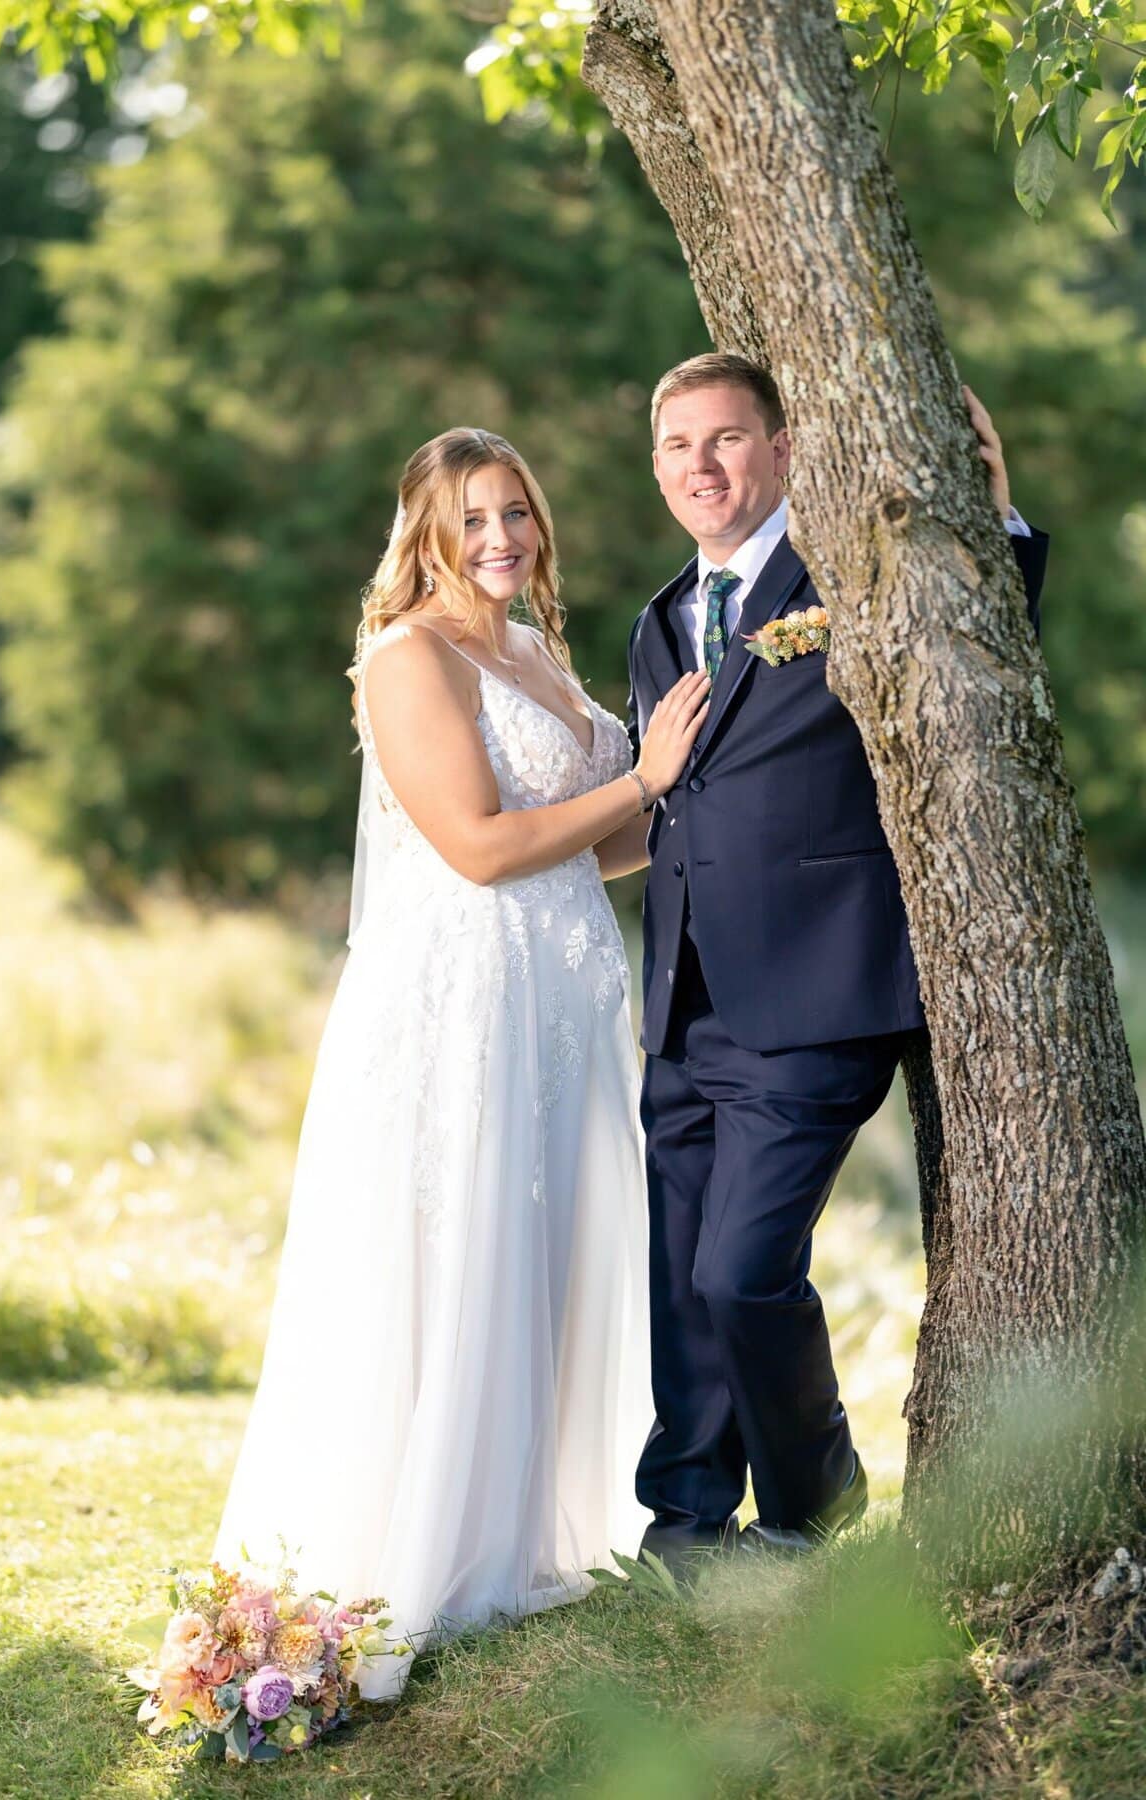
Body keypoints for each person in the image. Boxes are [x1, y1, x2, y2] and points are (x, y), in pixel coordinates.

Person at [213, 426, 709, 1695]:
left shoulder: (534, 649)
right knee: (452, 1259)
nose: (502, 539)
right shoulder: (406, 658)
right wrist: (647, 772)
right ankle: (417, 1558)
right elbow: (483, 848)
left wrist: (684, 813)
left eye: (517, 515)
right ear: (424, 533)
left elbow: (588, 847)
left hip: (558, 1009)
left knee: (535, 1262)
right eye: (473, 519)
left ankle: (510, 1541)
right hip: (463, 1011)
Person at [626, 353, 1049, 1567]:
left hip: (817, 991)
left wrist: (995, 509)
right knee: (682, 1278)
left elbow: (981, 632)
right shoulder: (660, 620)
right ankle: (687, 1515)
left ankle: (813, 1508)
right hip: (684, 1001)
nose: (701, 467)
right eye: (677, 447)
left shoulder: (840, 581)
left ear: (784, 451)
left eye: (726, 440)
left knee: (745, 1269)